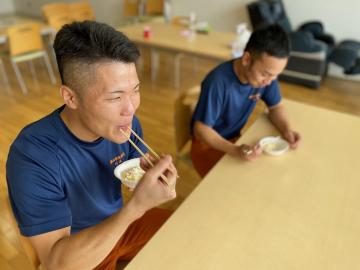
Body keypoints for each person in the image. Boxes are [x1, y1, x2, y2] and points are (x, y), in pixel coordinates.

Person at [6, 21, 177, 270]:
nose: (130, 109)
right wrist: (137, 206)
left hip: (121, 226)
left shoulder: (125, 126)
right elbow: (57, 264)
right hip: (79, 250)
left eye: (135, 91)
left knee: (190, 231)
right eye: (115, 97)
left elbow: (131, 179)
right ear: (71, 97)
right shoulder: (33, 155)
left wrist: (151, 180)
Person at [191, 24, 301, 177]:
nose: (269, 81)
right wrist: (234, 149)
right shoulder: (218, 82)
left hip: (236, 140)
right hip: (208, 146)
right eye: (266, 74)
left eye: (275, 75)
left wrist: (286, 130)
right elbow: (201, 130)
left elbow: (276, 107)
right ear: (247, 59)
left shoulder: (267, 77)